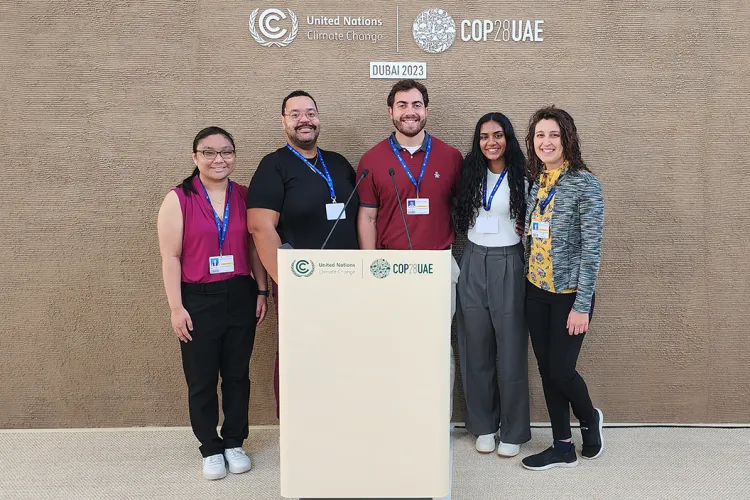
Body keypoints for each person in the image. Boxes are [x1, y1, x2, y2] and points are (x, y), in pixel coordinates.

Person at [157, 126, 269, 480]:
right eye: (209, 152)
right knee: (202, 378)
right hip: (198, 299)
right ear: (195, 157)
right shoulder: (180, 198)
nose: (218, 159)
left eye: (226, 152)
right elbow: (170, 257)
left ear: (235, 156)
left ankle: (235, 441)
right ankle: (210, 446)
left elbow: (254, 248)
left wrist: (262, 291)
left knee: (237, 374)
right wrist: (176, 308)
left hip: (240, 294)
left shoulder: (245, 195)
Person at [246, 90, 360, 419]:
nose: (304, 120)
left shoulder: (338, 163)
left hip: (348, 278)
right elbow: (259, 227)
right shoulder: (274, 166)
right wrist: (286, 279)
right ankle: (299, 428)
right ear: (283, 122)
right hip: (302, 281)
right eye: (295, 114)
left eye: (310, 112)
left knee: (345, 350)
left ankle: (342, 417)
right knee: (302, 354)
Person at [355, 79, 464, 413]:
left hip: (438, 267)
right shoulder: (372, 159)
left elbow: (468, 209)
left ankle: (436, 418)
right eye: (402, 105)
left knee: (436, 347)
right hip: (391, 267)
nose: (410, 112)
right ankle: (397, 415)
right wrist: (370, 270)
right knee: (392, 345)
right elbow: (368, 218)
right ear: (390, 112)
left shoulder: (451, 157)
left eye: (416, 105)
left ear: (426, 110)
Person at [519, 106, 604, 471]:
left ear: (567, 138)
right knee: (545, 368)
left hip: (570, 295)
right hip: (536, 290)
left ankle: (588, 417)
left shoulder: (585, 184)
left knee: (561, 370)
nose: (546, 141)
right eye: (540, 135)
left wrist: (582, 305)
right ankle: (562, 446)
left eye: (553, 134)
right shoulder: (536, 182)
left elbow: (591, 249)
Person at [453, 113, 531, 457]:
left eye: (497, 135)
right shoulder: (468, 171)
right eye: (484, 136)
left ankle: (514, 430)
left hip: (508, 262)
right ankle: (483, 425)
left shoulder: (524, 173)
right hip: (472, 260)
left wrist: (525, 229)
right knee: (475, 346)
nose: (491, 142)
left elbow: (538, 216)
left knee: (511, 349)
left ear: (508, 138)